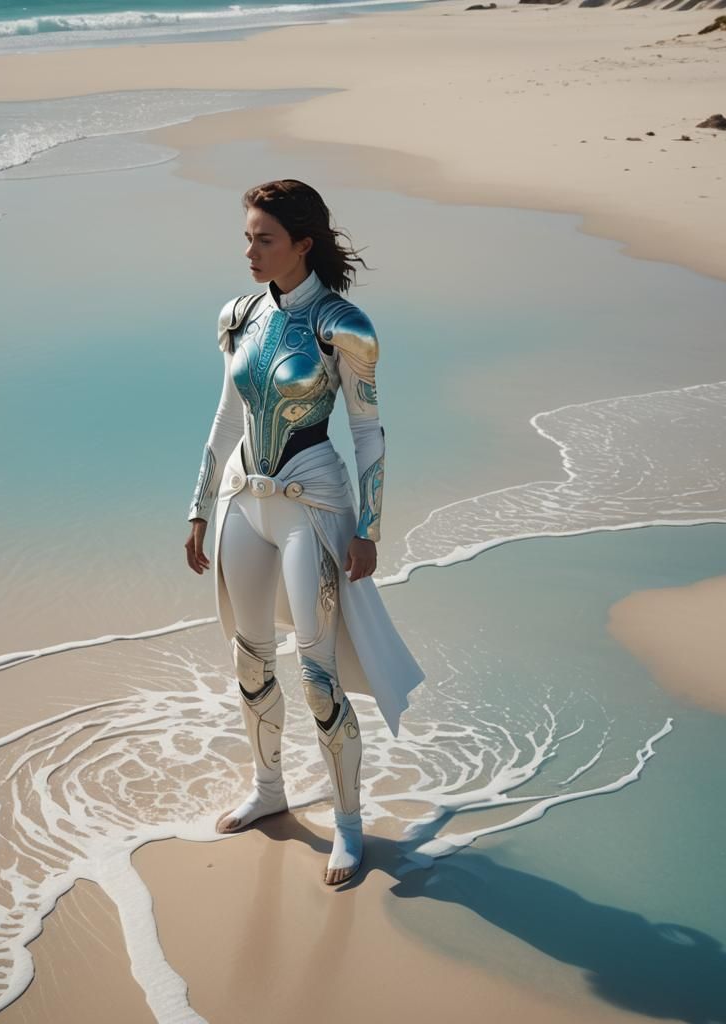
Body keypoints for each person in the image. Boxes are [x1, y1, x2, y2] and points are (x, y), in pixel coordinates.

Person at [185, 179, 425, 886]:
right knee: (250, 659)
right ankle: (268, 791)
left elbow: (368, 430)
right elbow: (226, 420)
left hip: (312, 507)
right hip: (242, 500)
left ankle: (349, 825)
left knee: (320, 678)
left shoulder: (343, 326)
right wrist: (197, 508)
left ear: (303, 244)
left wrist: (371, 529)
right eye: (248, 238)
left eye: (265, 239)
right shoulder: (237, 315)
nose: (251, 252)